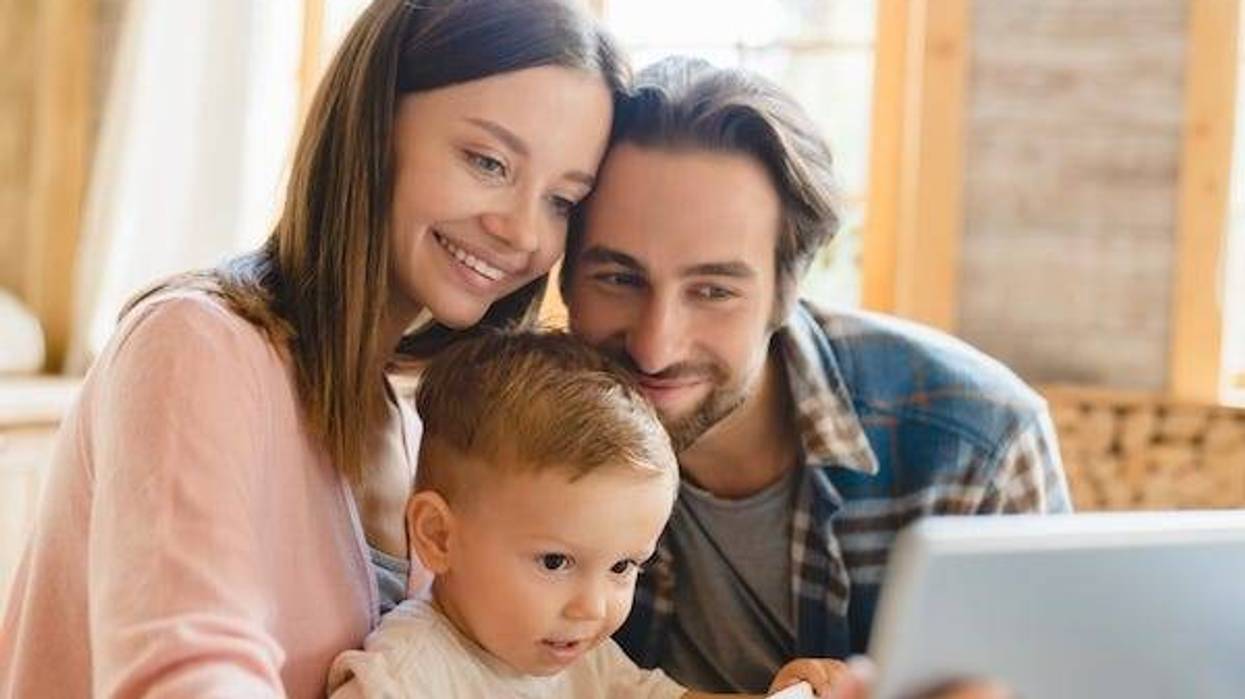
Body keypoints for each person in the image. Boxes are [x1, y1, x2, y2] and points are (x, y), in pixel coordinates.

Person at [0, 1, 622, 696]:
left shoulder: (415, 430)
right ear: (373, 126)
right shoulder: (193, 346)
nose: (524, 232)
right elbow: (189, 675)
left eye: (562, 201)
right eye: (487, 161)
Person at [560, 57, 1073, 695]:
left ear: (787, 291)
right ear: (566, 274)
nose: (654, 347)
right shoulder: (512, 435)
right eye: (618, 278)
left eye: (714, 291)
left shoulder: (981, 444)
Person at [327, 330, 850, 698]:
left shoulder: (578, 659)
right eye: (555, 562)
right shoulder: (404, 678)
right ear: (439, 536)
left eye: (622, 567)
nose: (593, 608)